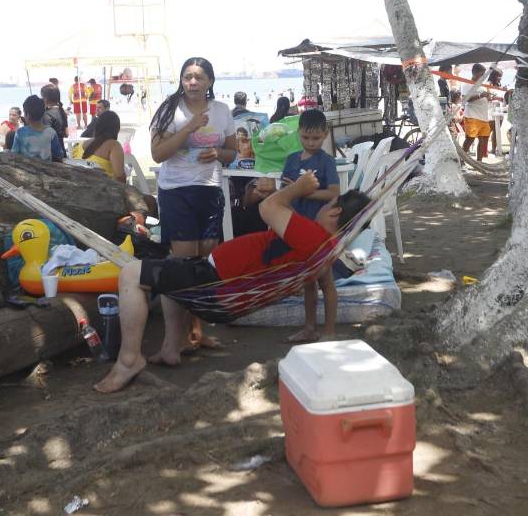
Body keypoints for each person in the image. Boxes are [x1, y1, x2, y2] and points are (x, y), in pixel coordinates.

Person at [95, 171, 371, 393]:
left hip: (216, 286)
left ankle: (129, 360)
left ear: (334, 213)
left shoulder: (312, 235)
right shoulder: (326, 251)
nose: (322, 209)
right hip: (222, 289)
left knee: (131, 273)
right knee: (170, 268)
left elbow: (268, 207)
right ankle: (170, 348)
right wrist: (319, 329)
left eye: (327, 206)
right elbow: (321, 287)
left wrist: (297, 188)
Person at [149, 57, 238, 357]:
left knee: (204, 265)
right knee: (184, 267)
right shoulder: (169, 110)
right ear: (181, 80)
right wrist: (188, 128)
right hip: (177, 192)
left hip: (210, 191)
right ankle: (177, 340)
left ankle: (198, 332)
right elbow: (158, 154)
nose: (193, 83)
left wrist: (217, 152)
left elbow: (232, 153)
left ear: (210, 81)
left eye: (199, 77)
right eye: (188, 77)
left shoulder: (222, 111)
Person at [279, 109, 340, 343]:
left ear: (325, 134)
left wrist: (306, 191)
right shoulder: (291, 160)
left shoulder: (326, 161)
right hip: (297, 225)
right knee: (307, 280)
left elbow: (334, 192)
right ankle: (309, 328)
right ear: (299, 134)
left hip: (320, 230)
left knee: (326, 280)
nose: (311, 142)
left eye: (316, 138)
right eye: (306, 137)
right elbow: (284, 191)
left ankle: (329, 331)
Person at [72, 110, 126, 184]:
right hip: (104, 192)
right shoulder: (114, 145)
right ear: (116, 128)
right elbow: (119, 176)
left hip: (79, 188)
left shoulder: (81, 145)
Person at [10, 95, 64, 162]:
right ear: (43, 113)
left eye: (24, 112)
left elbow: (14, 155)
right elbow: (58, 155)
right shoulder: (51, 132)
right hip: (47, 171)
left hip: (26, 170)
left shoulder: (20, 133)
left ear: (28, 115)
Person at [460, 64, 493, 161]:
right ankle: (461, 160)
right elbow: (465, 100)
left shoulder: (481, 85)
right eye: (482, 74)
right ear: (475, 73)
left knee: (484, 139)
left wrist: (489, 97)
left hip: (483, 117)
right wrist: (481, 95)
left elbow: (483, 97)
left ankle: (479, 162)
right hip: (472, 116)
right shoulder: (467, 84)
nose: (483, 77)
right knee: (470, 139)